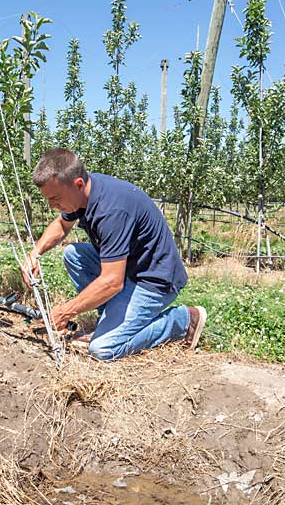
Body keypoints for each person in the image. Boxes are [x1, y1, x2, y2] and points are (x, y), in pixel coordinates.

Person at [21, 148, 207, 361]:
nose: (51, 205)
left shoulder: (111, 211)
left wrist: (66, 311)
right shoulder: (83, 193)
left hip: (154, 280)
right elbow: (62, 225)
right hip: (128, 268)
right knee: (73, 254)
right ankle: (111, 320)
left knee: (103, 348)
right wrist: (35, 252)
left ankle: (183, 321)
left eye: (55, 198)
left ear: (78, 184)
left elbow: (112, 282)